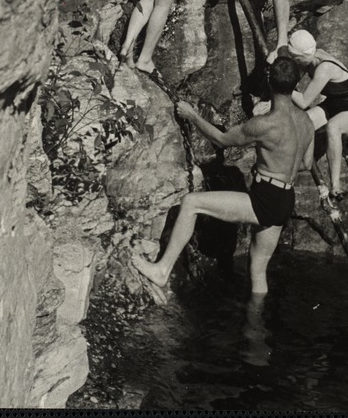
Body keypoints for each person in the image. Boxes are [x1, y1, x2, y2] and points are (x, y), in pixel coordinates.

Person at [132, 57, 314, 298]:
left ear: (269, 82)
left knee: (191, 203)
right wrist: (277, 168)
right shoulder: (307, 121)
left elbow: (222, 140)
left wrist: (193, 116)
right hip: (285, 198)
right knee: (258, 270)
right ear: (296, 84)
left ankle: (162, 270)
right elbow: (306, 163)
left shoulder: (265, 124)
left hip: (266, 199)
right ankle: (255, 328)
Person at [286, 29, 348, 199]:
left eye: (296, 58)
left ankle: (335, 186)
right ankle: (298, 162)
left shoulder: (324, 68)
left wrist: (279, 84)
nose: (295, 62)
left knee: (334, 126)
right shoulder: (310, 57)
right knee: (301, 122)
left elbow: (303, 101)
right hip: (333, 104)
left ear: (303, 55)